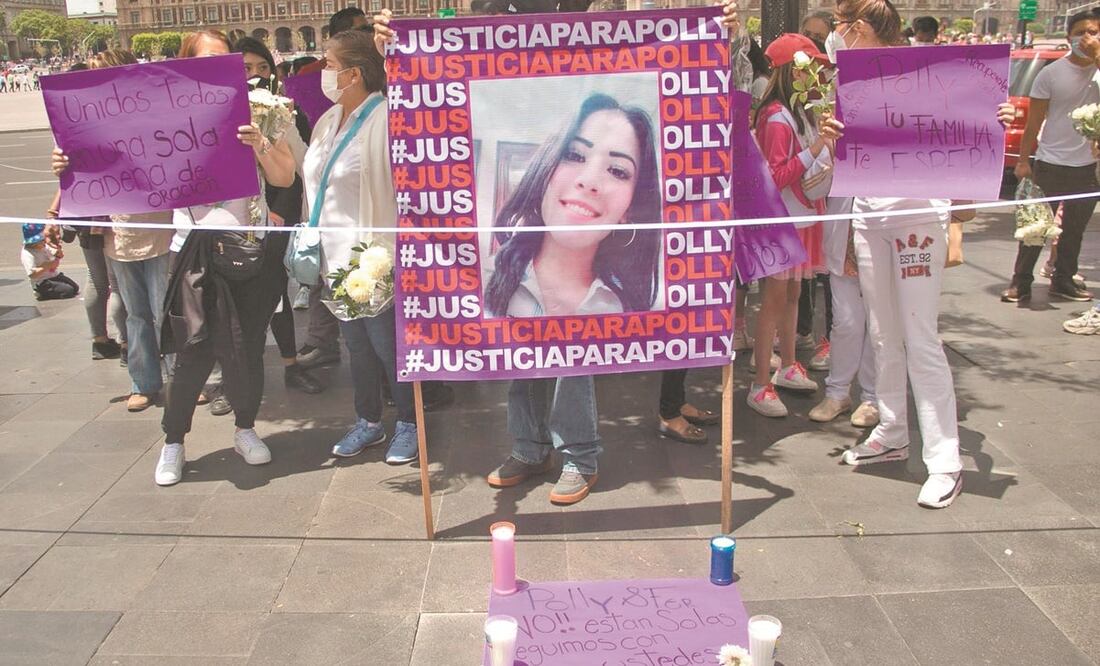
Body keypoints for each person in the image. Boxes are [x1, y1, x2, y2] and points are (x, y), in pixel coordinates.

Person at [826, 0, 1012, 508]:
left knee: (920, 336)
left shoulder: (935, 71)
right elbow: (836, 157)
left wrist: (995, 118)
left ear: (858, 27)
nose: (837, 36)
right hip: (868, 216)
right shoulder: (849, 83)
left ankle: (945, 460)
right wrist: (830, 138)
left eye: (841, 26)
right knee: (883, 334)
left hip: (917, 221)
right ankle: (891, 432)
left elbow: (975, 120)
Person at [155, 29, 298, 486]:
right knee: (193, 349)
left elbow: (285, 175)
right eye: (208, 61)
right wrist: (71, 166)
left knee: (246, 348)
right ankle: (173, 440)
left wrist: (260, 142)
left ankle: (245, 428)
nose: (221, 69)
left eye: (227, 61)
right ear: (187, 63)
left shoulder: (256, 108)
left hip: (244, 249)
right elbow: (126, 166)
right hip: (191, 247)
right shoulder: (164, 114)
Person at [302, 29, 419, 465]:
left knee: (389, 347)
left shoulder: (386, 118)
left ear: (353, 73)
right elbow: (311, 177)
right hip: (334, 257)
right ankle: (368, 422)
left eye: (329, 64)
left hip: (372, 256)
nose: (323, 72)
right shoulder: (328, 120)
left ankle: (408, 422)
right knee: (358, 348)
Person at [483, 93, 662, 318]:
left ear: (630, 209)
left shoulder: (641, 312)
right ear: (544, 172)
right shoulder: (474, 284)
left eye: (617, 171)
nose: (588, 181)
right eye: (574, 155)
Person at [746, 33, 833, 418]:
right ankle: (760, 383)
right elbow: (775, 175)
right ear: (791, 73)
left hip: (802, 216)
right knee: (774, 301)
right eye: (811, 69)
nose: (818, 77)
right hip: (782, 221)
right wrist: (816, 150)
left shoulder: (802, 114)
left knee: (795, 295)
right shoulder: (777, 118)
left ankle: (789, 364)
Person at [233, 36, 325, 395]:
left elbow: (299, 166)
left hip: (273, 216)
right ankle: (230, 378)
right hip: (229, 224)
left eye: (262, 68)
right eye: (245, 69)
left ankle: (290, 364)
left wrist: (278, 213)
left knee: (276, 292)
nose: (255, 75)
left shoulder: (283, 110)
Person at [90, 50, 175, 413]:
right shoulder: (88, 123)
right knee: (136, 313)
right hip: (119, 233)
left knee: (165, 309)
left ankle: (181, 378)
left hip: (159, 227)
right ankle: (143, 381)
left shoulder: (153, 115)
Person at [1002, 9, 1100, 304]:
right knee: (1035, 229)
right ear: (1069, 36)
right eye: (1081, 32)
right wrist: (1022, 161)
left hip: (1088, 168)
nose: (1087, 38)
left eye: (1094, 32)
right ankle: (1021, 282)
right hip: (1050, 163)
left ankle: (1063, 279)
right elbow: (1033, 123)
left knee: (1073, 231)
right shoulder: (1051, 73)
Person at [21, 224, 78, 301]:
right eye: (41, 241)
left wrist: (58, 253)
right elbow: (32, 274)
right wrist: (46, 266)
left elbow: (54, 252)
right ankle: (42, 293)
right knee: (68, 291)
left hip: (53, 275)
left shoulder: (43, 246)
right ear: (33, 243)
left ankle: (57, 287)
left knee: (75, 287)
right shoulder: (28, 253)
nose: (44, 243)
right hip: (42, 282)